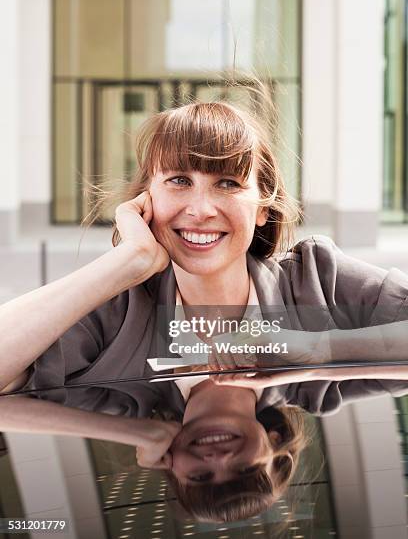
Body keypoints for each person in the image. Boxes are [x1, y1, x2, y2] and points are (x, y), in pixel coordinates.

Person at [1, 95, 408, 521]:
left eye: (228, 183)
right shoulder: (118, 309)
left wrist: (314, 347)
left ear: (264, 207)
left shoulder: (316, 280)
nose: (200, 210)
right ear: (145, 202)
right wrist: (127, 262)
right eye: (178, 180)